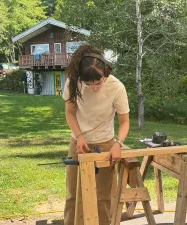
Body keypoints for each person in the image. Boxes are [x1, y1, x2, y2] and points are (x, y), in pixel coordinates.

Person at [62, 44, 130, 225]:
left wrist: (118, 144)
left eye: (98, 83)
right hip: (78, 143)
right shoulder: (72, 82)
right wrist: (79, 137)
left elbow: (125, 122)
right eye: (88, 84)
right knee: (73, 195)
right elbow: (70, 113)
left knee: (102, 197)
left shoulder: (117, 87)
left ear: (106, 72)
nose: (94, 88)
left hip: (106, 145)